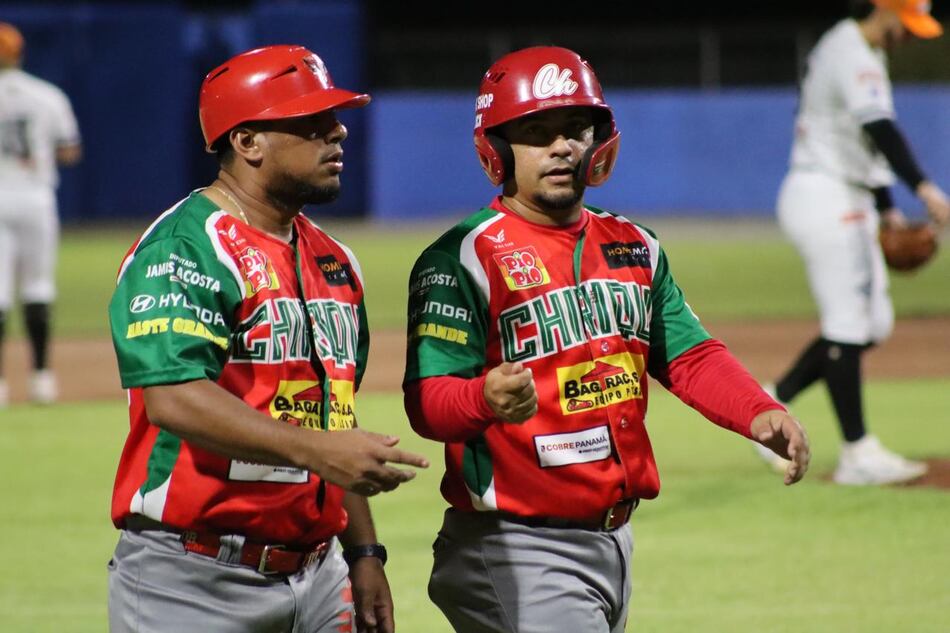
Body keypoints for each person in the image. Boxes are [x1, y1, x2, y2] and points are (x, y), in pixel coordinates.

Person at [402, 46, 811, 633]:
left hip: (613, 540)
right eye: (536, 132)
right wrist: (482, 400)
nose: (561, 146)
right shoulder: (463, 257)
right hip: (517, 546)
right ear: (496, 150)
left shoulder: (634, 246)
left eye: (575, 128)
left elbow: (691, 355)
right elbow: (428, 402)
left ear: (600, 140)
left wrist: (759, 411)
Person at [107, 45, 428, 633]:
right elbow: (173, 398)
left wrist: (363, 554)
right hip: (191, 579)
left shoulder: (334, 261)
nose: (338, 133)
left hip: (320, 572)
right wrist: (319, 452)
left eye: (334, 118)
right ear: (247, 142)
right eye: (311, 123)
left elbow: (335, 423)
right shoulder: (184, 248)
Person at [757, 0, 950, 485]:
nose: (908, 37)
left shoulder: (865, 52)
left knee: (874, 323)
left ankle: (772, 397)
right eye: (905, 26)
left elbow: (864, 143)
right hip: (826, 194)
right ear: (885, 11)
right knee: (847, 323)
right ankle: (857, 453)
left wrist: (887, 208)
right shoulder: (851, 51)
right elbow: (879, 129)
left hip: (851, 195)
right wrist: (924, 188)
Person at [0, 22, 81, 406]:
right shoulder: (46, 95)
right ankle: (42, 379)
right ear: (19, 52)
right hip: (35, 198)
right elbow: (69, 150)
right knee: (38, 286)